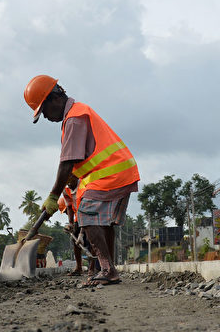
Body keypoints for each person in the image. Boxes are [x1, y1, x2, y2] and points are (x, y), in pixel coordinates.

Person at [24, 75, 139, 285]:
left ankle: (107, 269)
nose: (47, 118)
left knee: (85, 212)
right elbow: (76, 167)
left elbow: (67, 162)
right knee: (104, 223)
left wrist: (52, 196)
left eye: (44, 111)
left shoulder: (75, 118)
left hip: (111, 173)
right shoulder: (78, 113)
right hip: (120, 171)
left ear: (54, 99)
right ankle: (109, 268)